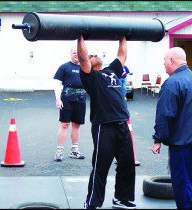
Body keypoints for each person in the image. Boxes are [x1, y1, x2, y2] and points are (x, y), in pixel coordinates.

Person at [77, 35, 136, 209]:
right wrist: (80, 36)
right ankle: (93, 203)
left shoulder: (111, 70)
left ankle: (121, 198)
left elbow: (122, 54)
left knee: (127, 164)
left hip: (122, 123)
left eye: (95, 54)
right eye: (91, 55)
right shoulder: (90, 77)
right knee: (101, 166)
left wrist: (122, 36)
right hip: (104, 125)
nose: (94, 54)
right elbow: (82, 56)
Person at [151, 47, 192, 209]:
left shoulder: (172, 83)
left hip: (182, 142)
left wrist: (158, 139)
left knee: (182, 183)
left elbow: (165, 114)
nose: (163, 64)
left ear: (172, 60)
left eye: (164, 61)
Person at [53, 47, 86, 161]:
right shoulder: (64, 67)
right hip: (67, 98)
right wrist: (58, 99)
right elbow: (57, 84)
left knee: (77, 125)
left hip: (81, 99)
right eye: (74, 53)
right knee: (64, 125)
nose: (76, 55)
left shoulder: (85, 66)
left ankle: (74, 151)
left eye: (78, 53)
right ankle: (59, 151)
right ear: (70, 54)